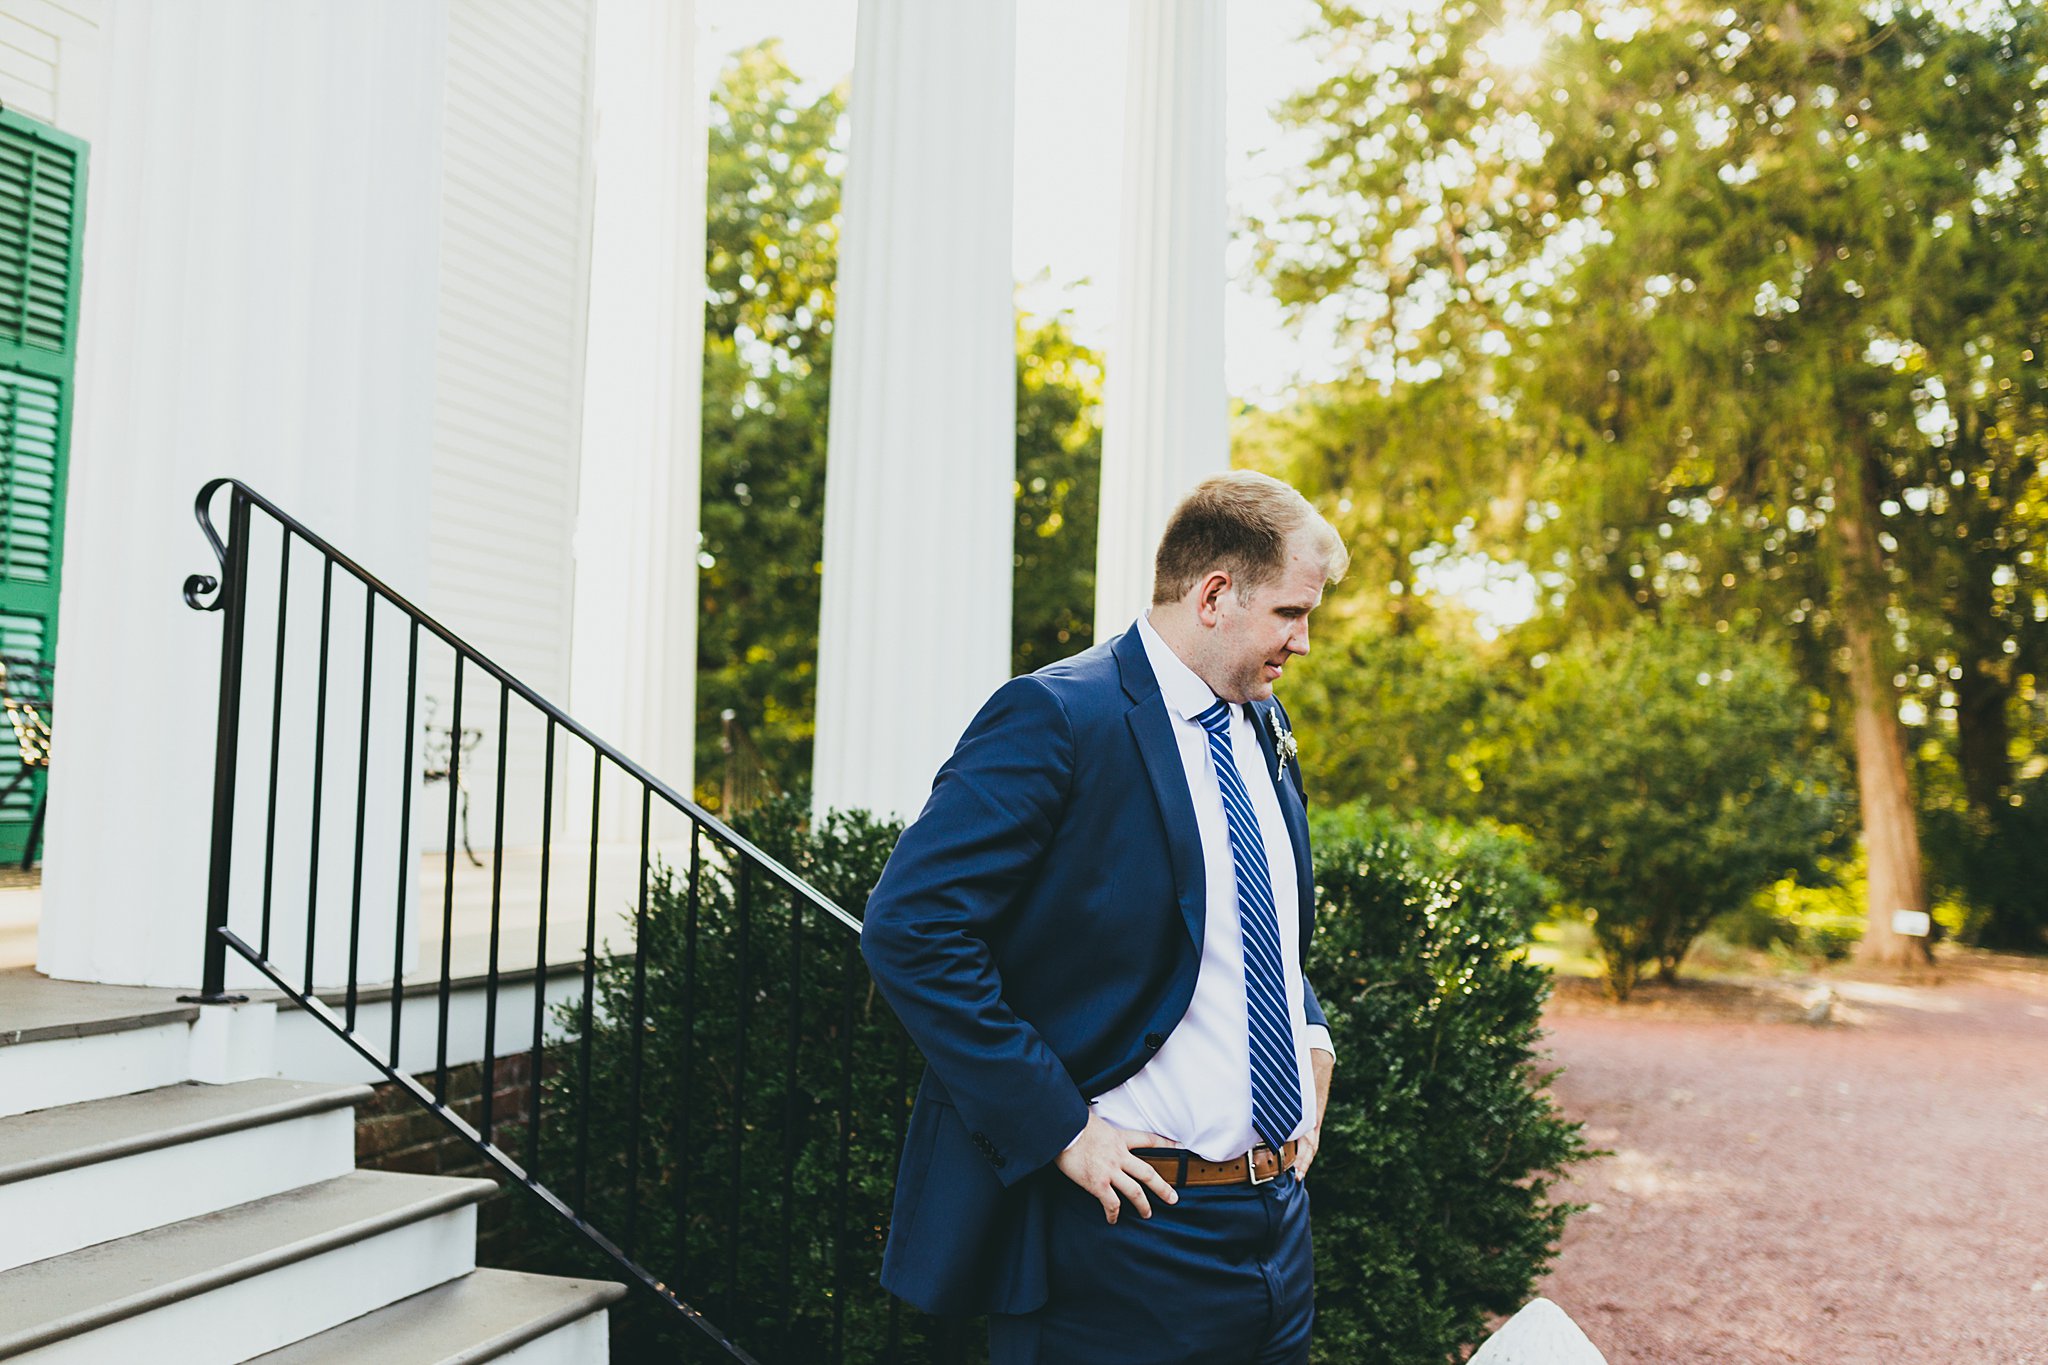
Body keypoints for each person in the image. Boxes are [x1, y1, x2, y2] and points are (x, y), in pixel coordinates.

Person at [860, 470, 1349, 1364]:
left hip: (1277, 1232)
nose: (1303, 642)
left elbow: (1250, 925)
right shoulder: (1056, 715)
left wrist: (1311, 1034)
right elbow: (911, 927)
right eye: (1290, 613)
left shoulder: (1262, 726)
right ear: (1214, 594)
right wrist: (1061, 1127)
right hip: (1122, 1236)